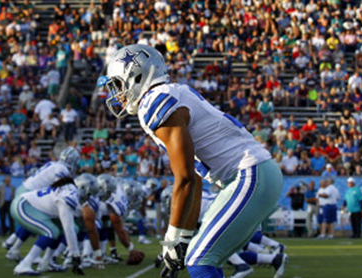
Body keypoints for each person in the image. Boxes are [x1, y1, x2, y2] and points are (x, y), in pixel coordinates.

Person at [100, 44, 282, 278]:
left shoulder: (154, 102)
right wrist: (181, 241)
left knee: (200, 261)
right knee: (204, 258)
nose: (118, 93)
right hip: (253, 175)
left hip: (249, 174)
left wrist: (170, 239)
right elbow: (194, 182)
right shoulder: (170, 93)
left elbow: (184, 179)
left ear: (136, 76)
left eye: (118, 84)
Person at [3, 147, 81, 261]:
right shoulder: (61, 170)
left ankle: (13, 245)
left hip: (24, 189)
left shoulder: (54, 164)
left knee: (34, 223)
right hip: (28, 194)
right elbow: (61, 190)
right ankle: (36, 255)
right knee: (45, 224)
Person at [10, 176, 87, 275]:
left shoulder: (69, 190)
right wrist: (75, 254)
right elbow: (68, 228)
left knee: (60, 230)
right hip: (23, 205)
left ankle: (46, 262)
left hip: (29, 205)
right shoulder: (69, 197)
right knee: (51, 232)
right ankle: (24, 264)